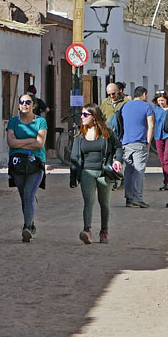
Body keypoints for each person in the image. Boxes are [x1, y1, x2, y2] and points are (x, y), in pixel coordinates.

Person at [69, 104, 122, 244]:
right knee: (89, 202)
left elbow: (118, 148)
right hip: (87, 172)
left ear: (94, 116)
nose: (82, 117)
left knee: (104, 203)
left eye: (85, 114)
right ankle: (87, 230)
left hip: (104, 172)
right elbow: (74, 157)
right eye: (82, 114)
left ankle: (104, 230)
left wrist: (117, 161)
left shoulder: (107, 133)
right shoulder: (80, 135)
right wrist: (73, 178)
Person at [6, 93, 47, 243]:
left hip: (35, 164)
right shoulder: (13, 122)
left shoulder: (40, 122)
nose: (24, 104)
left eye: (28, 102)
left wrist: (20, 142)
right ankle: (30, 225)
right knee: (24, 195)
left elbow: (40, 144)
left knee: (29, 194)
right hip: (17, 164)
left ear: (34, 106)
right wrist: (31, 140)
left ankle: (27, 227)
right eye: (22, 102)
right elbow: (11, 143)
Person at [121, 86, 154, 208]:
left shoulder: (125, 106)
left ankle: (129, 198)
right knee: (139, 171)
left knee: (128, 171)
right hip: (139, 142)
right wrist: (149, 142)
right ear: (144, 94)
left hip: (126, 142)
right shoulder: (146, 107)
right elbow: (151, 125)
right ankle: (138, 198)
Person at [152, 90, 168, 191]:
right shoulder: (155, 110)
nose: (160, 102)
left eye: (162, 100)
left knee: (166, 158)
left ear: (166, 100)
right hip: (158, 136)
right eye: (159, 100)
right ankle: (166, 181)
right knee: (162, 160)